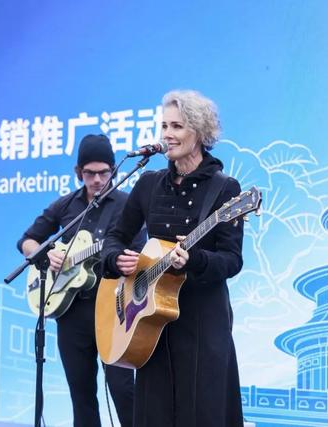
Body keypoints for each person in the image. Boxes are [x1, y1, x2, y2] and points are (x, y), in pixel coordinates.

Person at [101, 90, 245, 427]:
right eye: (164, 126)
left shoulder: (225, 189)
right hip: (150, 326)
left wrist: (194, 261)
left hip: (202, 325)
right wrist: (115, 259)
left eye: (177, 126)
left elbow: (232, 259)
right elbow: (115, 237)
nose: (167, 134)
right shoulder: (149, 184)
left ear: (200, 132)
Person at [17, 134, 146, 427]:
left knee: (123, 390)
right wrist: (47, 253)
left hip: (114, 309)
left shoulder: (128, 205)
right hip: (72, 312)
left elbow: (139, 251)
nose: (97, 180)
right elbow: (27, 241)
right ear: (79, 173)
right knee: (81, 393)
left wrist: (123, 259)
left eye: (104, 172)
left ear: (113, 170)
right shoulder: (66, 205)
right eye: (90, 173)